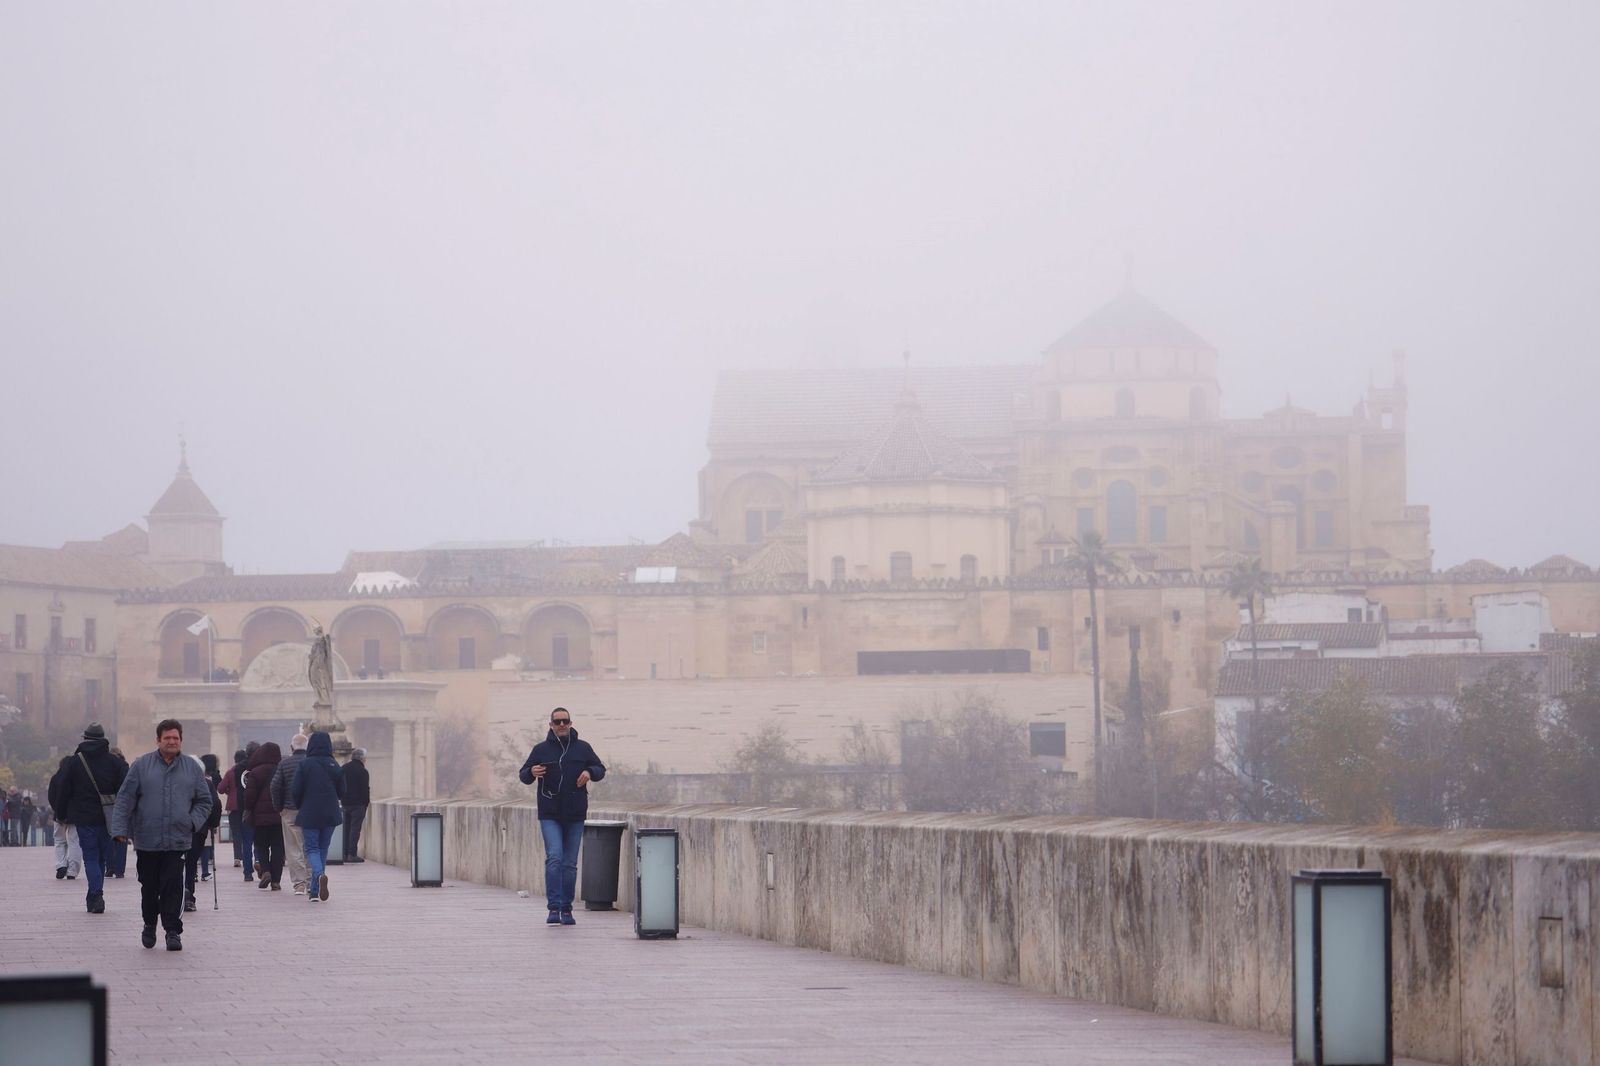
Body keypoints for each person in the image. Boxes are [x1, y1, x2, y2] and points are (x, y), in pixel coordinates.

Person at [110, 719, 213, 951]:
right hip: (147, 839)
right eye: (167, 738)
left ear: (181, 740)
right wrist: (119, 830)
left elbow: (205, 801)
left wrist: (191, 822)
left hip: (178, 840)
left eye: (175, 738)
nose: (171, 742)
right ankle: (149, 924)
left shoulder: (191, 768)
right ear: (158, 740)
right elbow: (125, 798)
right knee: (149, 887)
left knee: (173, 886)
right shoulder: (141, 766)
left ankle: (172, 931)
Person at [517, 707, 606, 926]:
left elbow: (600, 768)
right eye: (557, 722)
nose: (562, 725)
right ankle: (553, 907)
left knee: (569, 864)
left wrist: (589, 772)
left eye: (565, 721)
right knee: (555, 857)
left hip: (575, 813)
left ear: (571, 723)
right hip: (550, 813)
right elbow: (523, 775)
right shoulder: (541, 749)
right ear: (551, 725)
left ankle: (567, 909)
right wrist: (532, 772)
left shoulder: (583, 748)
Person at [53, 722, 128, 914]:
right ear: (104, 740)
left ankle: (96, 894)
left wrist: (61, 813)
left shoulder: (74, 762)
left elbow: (63, 790)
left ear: (85, 739)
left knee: (91, 857)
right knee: (102, 858)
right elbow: (126, 787)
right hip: (108, 818)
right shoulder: (115, 762)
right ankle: (95, 893)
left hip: (84, 818)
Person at [291, 731, 345, 903]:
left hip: (310, 812)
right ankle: (314, 891)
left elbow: (295, 790)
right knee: (322, 849)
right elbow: (343, 791)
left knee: (311, 849)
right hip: (330, 813)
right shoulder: (334, 765)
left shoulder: (305, 764)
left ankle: (319, 876)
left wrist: (301, 805)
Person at [241, 742, 285, 891]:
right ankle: (276, 881)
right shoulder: (281, 769)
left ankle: (265, 871)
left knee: (262, 846)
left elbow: (250, 795)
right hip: (279, 815)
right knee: (278, 847)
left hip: (260, 817)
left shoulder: (255, 772)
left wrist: (248, 810)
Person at [182, 755, 223, 912]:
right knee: (191, 863)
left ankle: (176, 895)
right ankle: (189, 897)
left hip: (177, 829)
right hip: (199, 829)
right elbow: (215, 805)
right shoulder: (207, 784)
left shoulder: (176, 784)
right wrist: (213, 824)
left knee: (175, 863)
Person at [270, 734, 310, 895]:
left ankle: (299, 884)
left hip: (289, 810)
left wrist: (279, 807)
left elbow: (275, 786)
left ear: (292, 747)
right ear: (307, 747)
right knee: (309, 846)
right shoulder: (311, 763)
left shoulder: (284, 763)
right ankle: (311, 880)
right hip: (309, 810)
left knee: (293, 848)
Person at [218, 748, 251, 876]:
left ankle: (237, 857)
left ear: (235, 759)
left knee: (237, 833)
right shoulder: (249, 771)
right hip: (247, 805)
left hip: (233, 806)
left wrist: (230, 792)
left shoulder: (231, 772)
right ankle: (254, 858)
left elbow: (220, 788)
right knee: (248, 834)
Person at [46, 768, 82, 879]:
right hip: (75, 815)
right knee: (74, 842)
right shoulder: (78, 778)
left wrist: (56, 809)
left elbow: (51, 797)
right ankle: (72, 871)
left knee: (59, 840)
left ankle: (61, 865)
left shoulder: (55, 778)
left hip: (59, 814)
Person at [103, 747, 129, 878]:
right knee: (121, 836)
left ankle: (110, 866)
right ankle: (120, 869)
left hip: (106, 803)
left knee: (108, 835)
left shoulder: (105, 765)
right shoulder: (124, 766)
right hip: (122, 803)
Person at [340, 748, 370, 862]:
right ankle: (351, 854)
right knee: (355, 830)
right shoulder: (363, 771)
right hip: (358, 805)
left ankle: (344, 853)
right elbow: (365, 790)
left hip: (345, 804)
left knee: (346, 829)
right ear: (362, 758)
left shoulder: (344, 768)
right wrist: (365, 803)